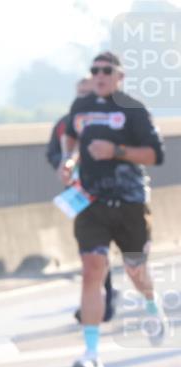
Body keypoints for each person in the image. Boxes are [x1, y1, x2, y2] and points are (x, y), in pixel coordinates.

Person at [58, 52, 168, 367]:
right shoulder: (81, 108)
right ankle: (91, 354)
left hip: (130, 203)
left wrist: (116, 151)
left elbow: (155, 155)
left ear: (120, 76)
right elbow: (70, 137)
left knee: (136, 271)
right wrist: (68, 160)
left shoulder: (133, 109)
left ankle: (151, 304)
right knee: (93, 269)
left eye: (107, 70)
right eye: (95, 70)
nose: (100, 75)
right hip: (91, 202)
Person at [47, 77, 117, 323]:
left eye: (87, 93)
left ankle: (107, 297)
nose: (83, 98)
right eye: (79, 93)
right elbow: (54, 151)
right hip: (81, 195)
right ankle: (99, 302)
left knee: (108, 252)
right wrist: (65, 166)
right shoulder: (66, 124)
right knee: (91, 253)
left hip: (113, 196)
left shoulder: (113, 120)